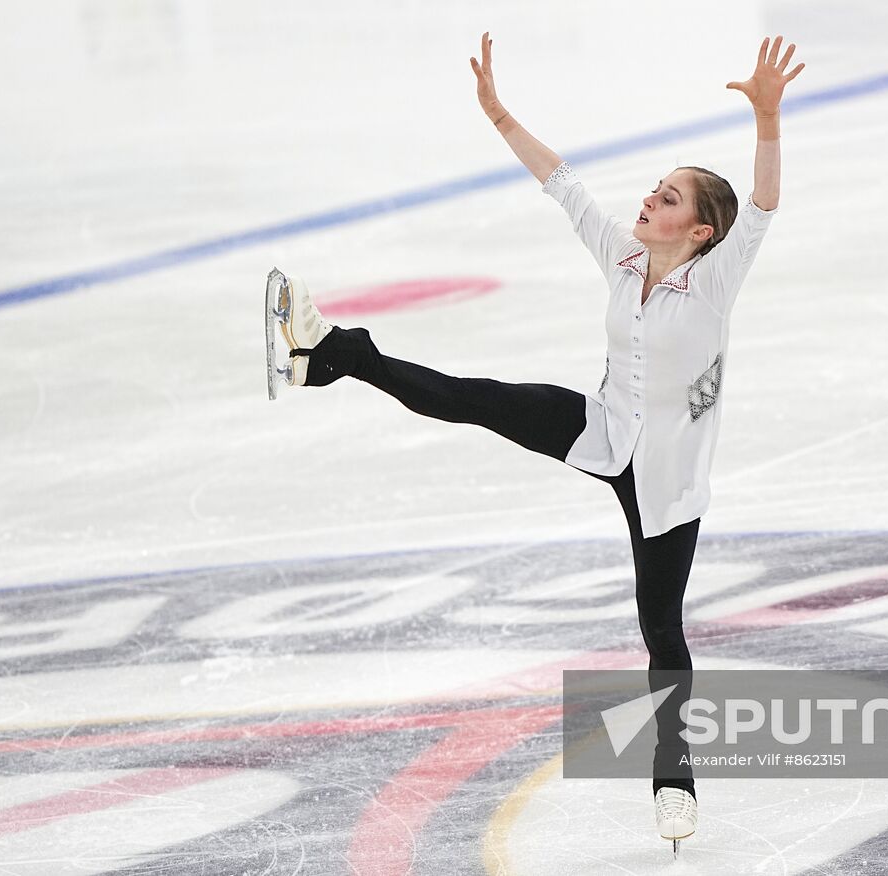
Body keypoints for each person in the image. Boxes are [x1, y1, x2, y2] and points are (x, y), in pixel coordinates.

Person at [269, 31, 804, 851]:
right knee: (481, 399)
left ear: (699, 232)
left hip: (666, 479)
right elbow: (563, 184)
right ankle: (334, 355)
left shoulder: (714, 283)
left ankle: (675, 783)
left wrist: (767, 118)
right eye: (654, 189)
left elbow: (762, 208)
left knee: (661, 628)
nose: (649, 202)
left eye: (669, 200)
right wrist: (498, 114)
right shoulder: (626, 258)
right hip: (600, 428)